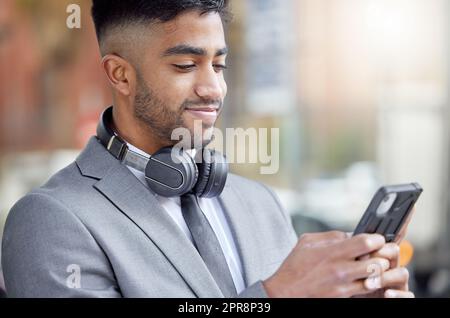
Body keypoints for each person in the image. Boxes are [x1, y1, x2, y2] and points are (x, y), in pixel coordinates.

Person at [1, 0, 413, 298]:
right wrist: (275, 297)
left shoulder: (261, 203)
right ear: (120, 75)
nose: (213, 88)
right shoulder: (50, 220)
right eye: (185, 66)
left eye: (219, 65)